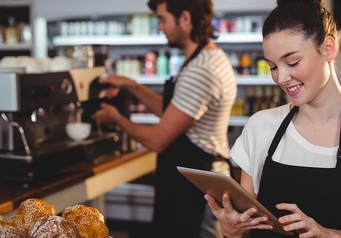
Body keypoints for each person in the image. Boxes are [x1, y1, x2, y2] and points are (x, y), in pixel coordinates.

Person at [205, 0, 341, 237]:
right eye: (273, 66)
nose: (281, 77)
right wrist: (231, 231)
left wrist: (328, 234)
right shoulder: (261, 127)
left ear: (328, 48)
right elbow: (247, 229)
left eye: (292, 62)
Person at [92, 0, 237, 237]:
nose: (160, 26)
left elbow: (158, 139)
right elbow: (174, 111)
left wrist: (116, 119)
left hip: (200, 190)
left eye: (163, 19)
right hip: (195, 182)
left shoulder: (201, 69)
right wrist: (132, 86)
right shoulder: (206, 57)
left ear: (186, 19)